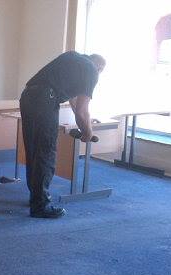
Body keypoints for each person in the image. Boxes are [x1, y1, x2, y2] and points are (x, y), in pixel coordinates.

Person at [20, 52, 106, 218]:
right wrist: (87, 132)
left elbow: (74, 102)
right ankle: (40, 206)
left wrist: (86, 123)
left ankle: (35, 197)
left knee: (34, 150)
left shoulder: (72, 57)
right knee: (46, 151)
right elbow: (82, 111)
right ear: (99, 67)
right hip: (45, 99)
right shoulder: (91, 71)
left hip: (28, 96)